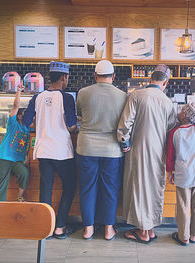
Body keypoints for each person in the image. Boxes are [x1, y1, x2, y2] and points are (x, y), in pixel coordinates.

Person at [117, 64, 176, 244]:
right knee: (153, 189)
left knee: (139, 188)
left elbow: (125, 124)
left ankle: (142, 232)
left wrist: (124, 142)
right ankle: (149, 229)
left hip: (138, 150)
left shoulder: (136, 95)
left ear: (150, 79)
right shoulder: (168, 102)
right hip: (159, 152)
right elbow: (171, 130)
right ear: (164, 82)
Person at [22, 61, 77, 239]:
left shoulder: (37, 97)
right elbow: (71, 126)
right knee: (69, 187)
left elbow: (25, 121)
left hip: (43, 150)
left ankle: (45, 227)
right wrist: (76, 128)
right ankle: (60, 226)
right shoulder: (67, 97)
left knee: (45, 187)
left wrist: (42, 126)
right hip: (62, 151)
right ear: (63, 77)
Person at [76, 60, 127, 240]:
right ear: (113, 76)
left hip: (86, 148)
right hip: (112, 150)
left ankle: (88, 229)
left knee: (87, 188)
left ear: (95, 76)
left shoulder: (82, 93)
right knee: (110, 189)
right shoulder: (123, 96)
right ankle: (108, 230)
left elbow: (80, 116)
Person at [166, 102, 195, 246]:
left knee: (183, 206)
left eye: (182, 111)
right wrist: (193, 115)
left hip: (183, 175)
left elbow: (170, 157)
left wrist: (170, 173)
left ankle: (183, 237)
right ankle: (194, 236)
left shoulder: (174, 132)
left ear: (184, 116)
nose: (179, 111)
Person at [0, 85, 30, 202]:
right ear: (18, 115)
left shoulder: (28, 129)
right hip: (3, 159)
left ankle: (19, 196)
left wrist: (27, 158)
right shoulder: (13, 124)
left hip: (17, 161)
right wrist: (18, 91)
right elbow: (16, 106)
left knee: (24, 173)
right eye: (24, 113)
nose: (27, 115)